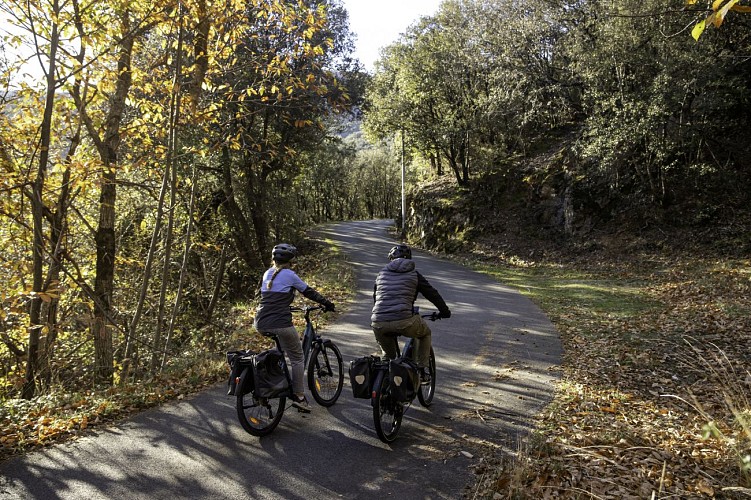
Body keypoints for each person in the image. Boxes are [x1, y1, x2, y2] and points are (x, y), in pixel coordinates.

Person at [254, 243, 335, 412]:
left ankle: (272, 384)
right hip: (280, 323)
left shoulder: (267, 273)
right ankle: (299, 397)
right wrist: (327, 303)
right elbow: (308, 292)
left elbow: (270, 299)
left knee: (279, 353)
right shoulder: (289, 275)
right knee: (298, 357)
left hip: (260, 322)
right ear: (291, 261)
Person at [371, 243, 451, 383]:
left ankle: (382, 385)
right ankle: (422, 370)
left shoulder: (381, 274)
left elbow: (375, 298)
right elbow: (432, 294)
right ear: (409, 258)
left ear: (391, 259)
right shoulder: (414, 274)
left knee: (388, 358)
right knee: (425, 333)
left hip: (378, 321)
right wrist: (444, 311)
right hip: (404, 320)